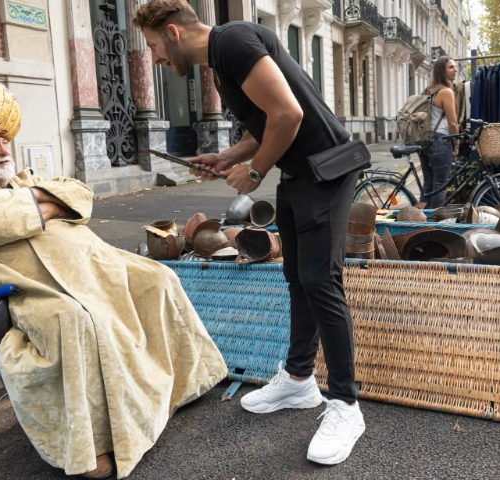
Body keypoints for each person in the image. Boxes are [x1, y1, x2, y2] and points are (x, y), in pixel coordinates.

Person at [0, 68, 228, 479]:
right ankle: (89, 448)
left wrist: (40, 203)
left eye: (4, 138)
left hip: (93, 268)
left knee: (159, 278)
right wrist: (51, 204)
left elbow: (80, 193)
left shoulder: (23, 180)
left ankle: (185, 382)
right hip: (25, 290)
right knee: (75, 320)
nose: (4, 148)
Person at [134, 0, 365, 465]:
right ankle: (299, 382)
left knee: (322, 281)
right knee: (298, 279)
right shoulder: (221, 63)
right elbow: (264, 127)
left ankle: (346, 405)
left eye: (155, 46)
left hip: (329, 170)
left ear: (174, 34)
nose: (155, 59)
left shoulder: (234, 40)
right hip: (301, 173)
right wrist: (227, 159)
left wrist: (255, 173)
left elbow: (289, 114)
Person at [419, 56, 460, 209]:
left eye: (455, 67)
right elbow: (453, 123)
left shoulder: (428, 90)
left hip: (425, 140)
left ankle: (423, 222)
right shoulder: (446, 92)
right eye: (451, 67)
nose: (455, 70)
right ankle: (435, 223)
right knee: (440, 185)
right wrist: (456, 144)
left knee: (428, 184)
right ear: (441, 70)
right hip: (441, 141)